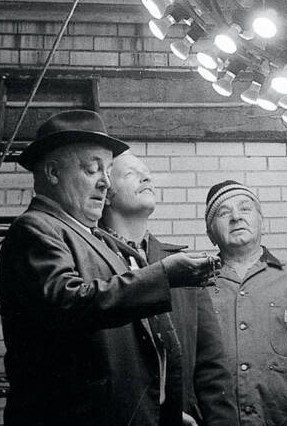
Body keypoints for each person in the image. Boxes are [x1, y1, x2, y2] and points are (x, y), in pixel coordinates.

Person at [0, 110, 217, 426]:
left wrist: (161, 413)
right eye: (92, 169)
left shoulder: (92, 236)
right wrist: (164, 275)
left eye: (109, 170)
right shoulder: (35, 229)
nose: (105, 182)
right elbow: (69, 303)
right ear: (53, 172)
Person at [99, 149, 238, 426]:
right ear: (106, 192)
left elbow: (211, 366)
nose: (146, 178)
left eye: (147, 173)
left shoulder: (183, 266)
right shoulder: (93, 260)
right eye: (131, 174)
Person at [204, 180, 287, 426]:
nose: (236, 217)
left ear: (262, 222)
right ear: (211, 234)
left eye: (245, 208)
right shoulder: (196, 287)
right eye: (223, 213)